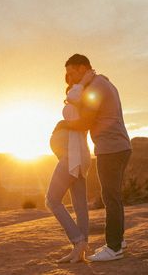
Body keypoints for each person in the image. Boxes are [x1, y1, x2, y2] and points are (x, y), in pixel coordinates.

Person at [53, 54, 132, 262]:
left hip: (110, 148)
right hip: (118, 146)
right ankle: (119, 240)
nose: (69, 77)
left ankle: (114, 247)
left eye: (71, 72)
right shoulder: (101, 82)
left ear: (82, 68)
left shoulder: (96, 86)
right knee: (114, 196)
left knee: (110, 197)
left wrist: (62, 125)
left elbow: (84, 122)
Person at [45, 69, 95, 263]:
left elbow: (73, 96)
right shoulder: (80, 99)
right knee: (80, 205)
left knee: (52, 200)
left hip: (72, 156)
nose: (70, 84)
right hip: (79, 155)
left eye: (72, 76)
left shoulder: (79, 95)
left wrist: (82, 82)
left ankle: (77, 240)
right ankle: (80, 251)